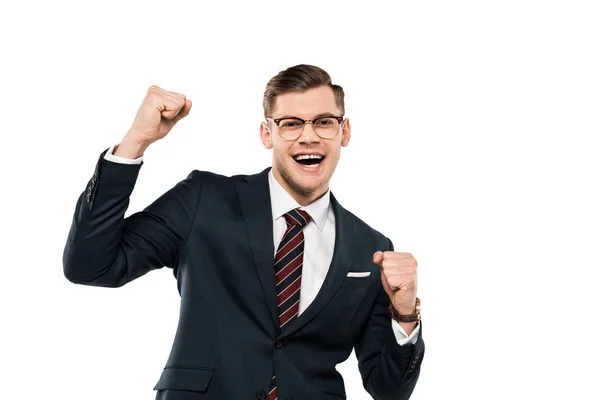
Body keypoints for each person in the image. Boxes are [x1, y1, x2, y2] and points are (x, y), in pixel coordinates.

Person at [63, 64, 424, 400]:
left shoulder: (371, 247)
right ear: (267, 134)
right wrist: (135, 142)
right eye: (291, 123)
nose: (309, 137)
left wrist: (406, 313)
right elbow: (90, 266)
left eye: (324, 122)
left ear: (343, 132)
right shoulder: (204, 199)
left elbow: (389, 390)